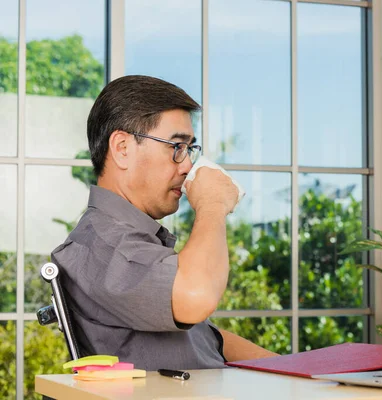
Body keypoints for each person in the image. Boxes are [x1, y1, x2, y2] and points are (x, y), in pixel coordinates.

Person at [51, 75, 278, 370]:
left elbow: (203, 339)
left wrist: (303, 369)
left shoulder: (131, 239)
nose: (186, 165)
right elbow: (196, 296)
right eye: (176, 147)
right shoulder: (103, 245)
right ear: (122, 148)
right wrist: (212, 204)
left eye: (188, 149)